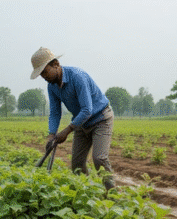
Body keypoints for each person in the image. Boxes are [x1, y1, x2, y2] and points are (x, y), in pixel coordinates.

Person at [30, 48, 116, 190]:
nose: (43, 76)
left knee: (99, 158)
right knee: (77, 164)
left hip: (100, 118)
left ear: (56, 64)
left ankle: (112, 195)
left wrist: (67, 131)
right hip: (81, 122)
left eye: (44, 71)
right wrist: (51, 134)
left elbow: (87, 109)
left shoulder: (77, 76)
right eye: (40, 74)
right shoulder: (52, 87)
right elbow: (55, 112)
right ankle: (87, 193)